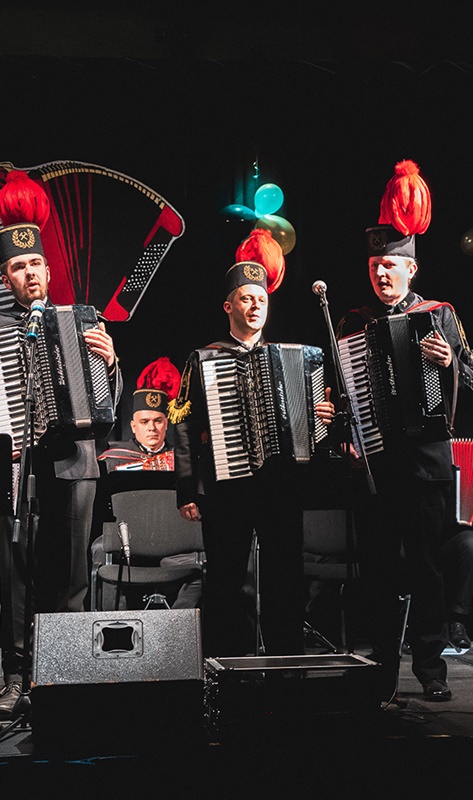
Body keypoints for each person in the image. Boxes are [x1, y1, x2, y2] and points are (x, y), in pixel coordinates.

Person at [0, 171, 121, 716]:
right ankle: (17, 678)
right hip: (15, 469)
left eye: (35, 264)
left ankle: (65, 677)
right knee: (18, 578)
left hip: (75, 464)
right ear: (7, 277)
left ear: (48, 271)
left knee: (69, 577)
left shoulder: (85, 320)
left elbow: (104, 403)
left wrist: (111, 364)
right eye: (18, 267)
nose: (29, 273)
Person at [316, 161, 473, 702]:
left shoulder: (441, 314)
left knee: (428, 570)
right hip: (376, 466)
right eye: (374, 266)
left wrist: (447, 362)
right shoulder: (353, 322)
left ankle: (432, 671)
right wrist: (336, 419)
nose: (381, 274)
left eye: (390, 265)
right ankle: (381, 671)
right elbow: (336, 391)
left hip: (427, 463)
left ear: (411, 269)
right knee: (379, 574)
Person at [171, 229, 306, 657]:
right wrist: (187, 489)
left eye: (261, 299)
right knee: (229, 577)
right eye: (246, 298)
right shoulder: (204, 357)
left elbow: (303, 420)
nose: (255, 306)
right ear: (229, 306)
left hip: (279, 485)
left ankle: (285, 658)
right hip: (225, 486)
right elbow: (183, 425)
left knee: (285, 572)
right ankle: (230, 661)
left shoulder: (286, 357)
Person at [96, 357, 201, 610]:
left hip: (175, 541)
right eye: (144, 422)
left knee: (206, 557)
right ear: (133, 426)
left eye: (158, 421)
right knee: (99, 549)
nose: (151, 428)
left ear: (167, 423)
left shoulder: (184, 462)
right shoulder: (113, 459)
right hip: (125, 539)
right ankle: (117, 626)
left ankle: (178, 625)